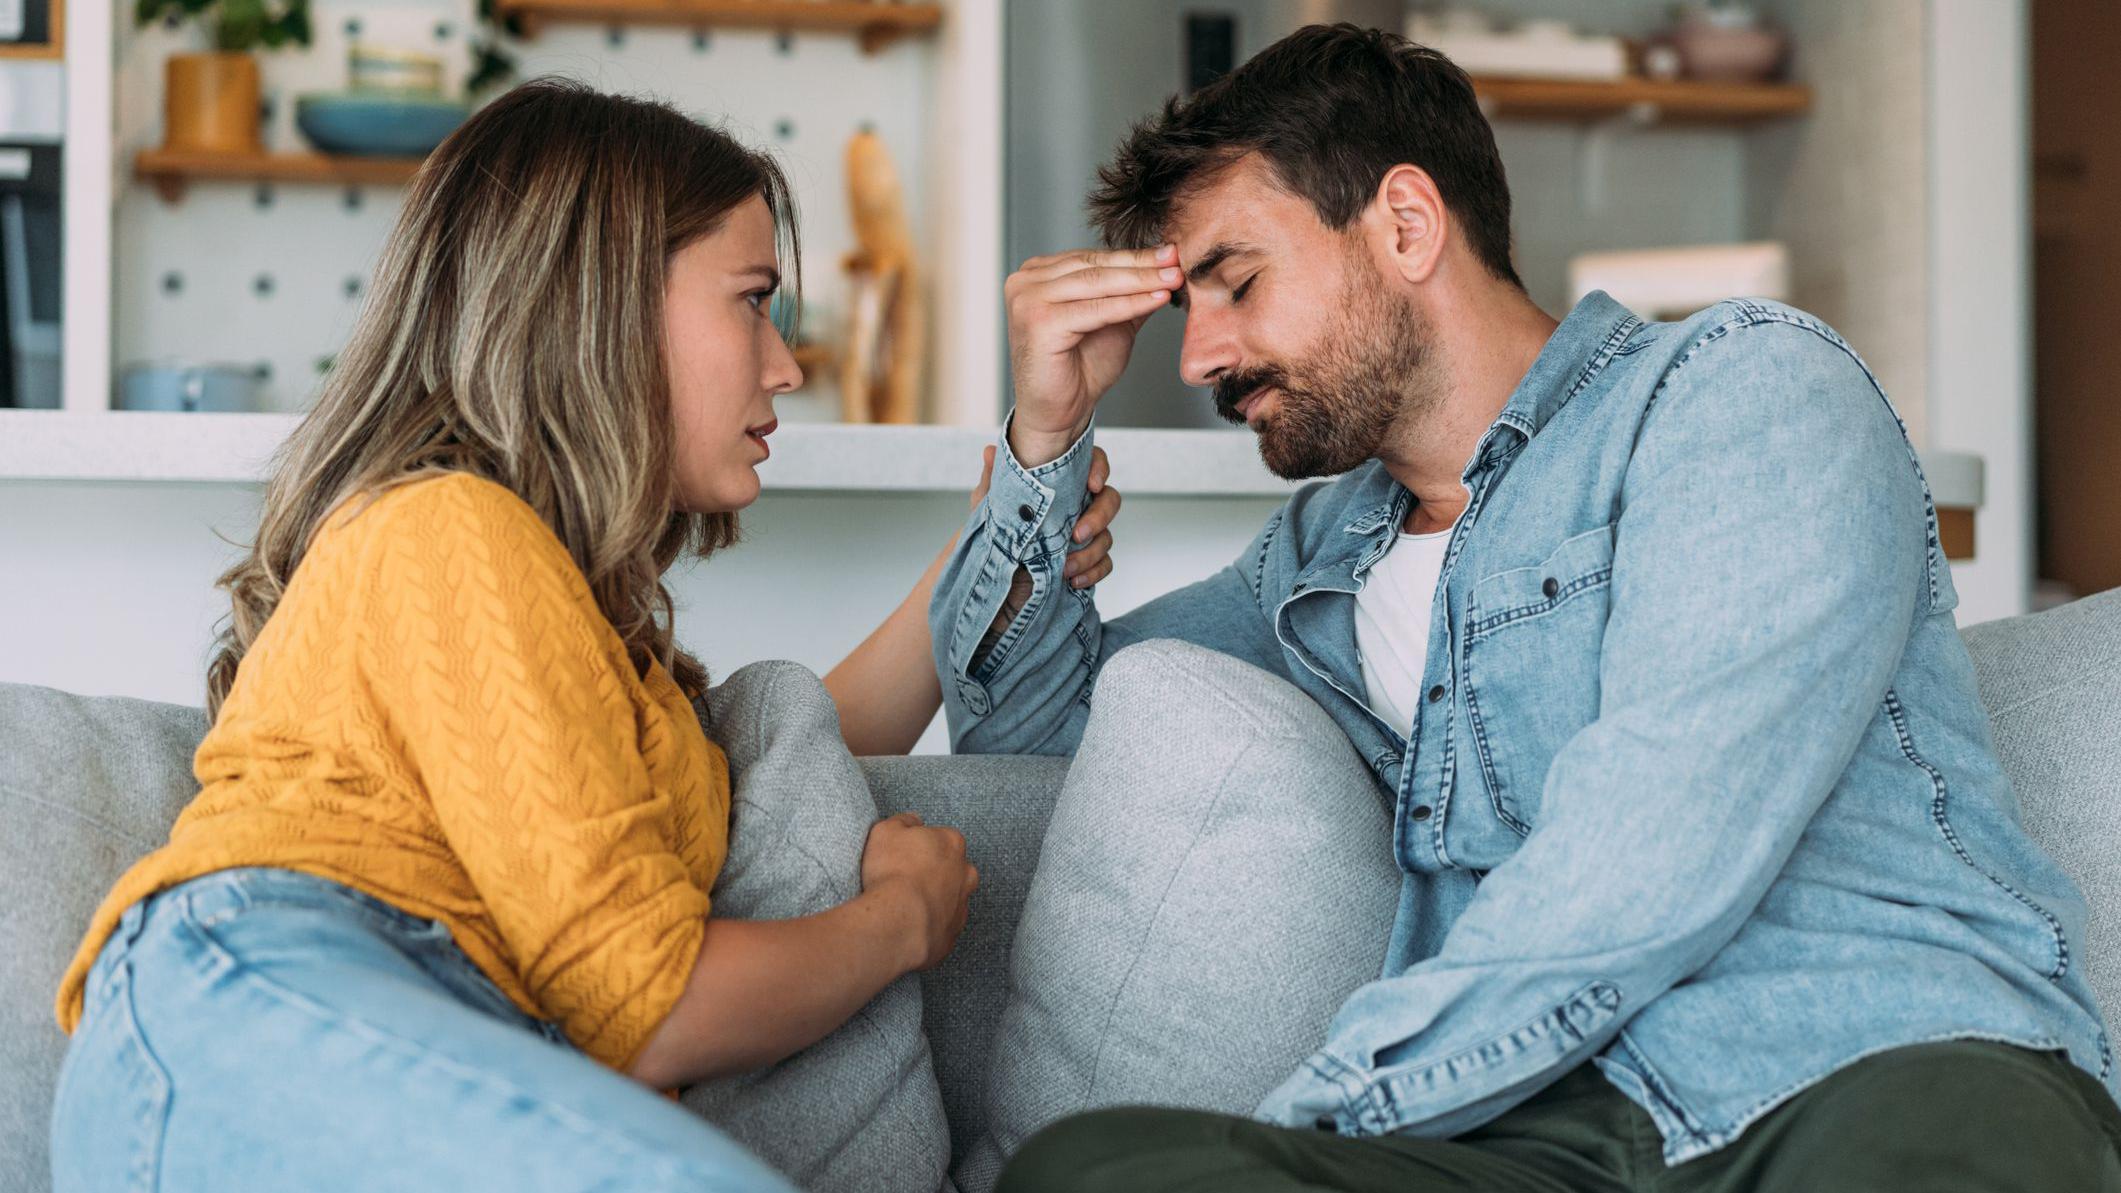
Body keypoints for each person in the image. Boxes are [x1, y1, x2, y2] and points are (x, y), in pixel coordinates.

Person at [927, 23, 2121, 1192]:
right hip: (1549, 1130)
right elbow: (1037, 743)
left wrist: (1328, 1119)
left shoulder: (1742, 389)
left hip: (1860, 1064)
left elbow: (1653, 842)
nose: (1198, 357)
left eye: (1235, 284)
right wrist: (1046, 438)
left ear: (1407, 224)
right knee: (1089, 1168)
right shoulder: (1315, 560)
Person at [47, 79, 1123, 1192]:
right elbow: (652, 1008)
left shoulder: (586, 642)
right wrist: (903, 918)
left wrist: (1008, 531)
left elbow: (799, 743)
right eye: (753, 301)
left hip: (364, 1029)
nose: (786, 365)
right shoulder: (445, 527)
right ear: (601, 306)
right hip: (268, 1005)